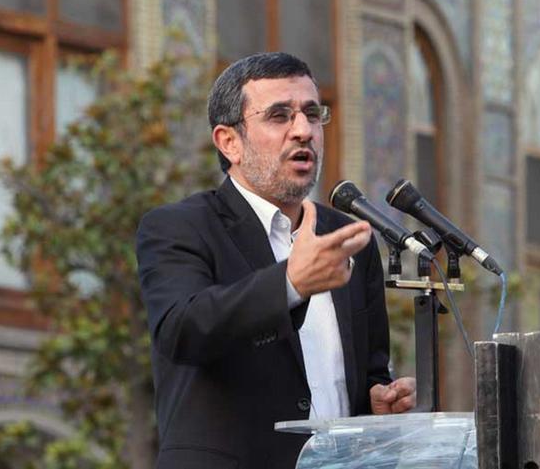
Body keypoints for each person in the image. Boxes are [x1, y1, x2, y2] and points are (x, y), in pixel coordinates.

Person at [136, 52, 415, 469]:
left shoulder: (347, 240)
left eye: (312, 114)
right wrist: (290, 285)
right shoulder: (180, 226)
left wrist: (377, 401)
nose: (303, 131)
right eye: (279, 116)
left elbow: (371, 371)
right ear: (229, 142)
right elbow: (182, 329)